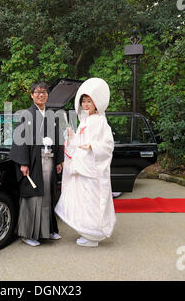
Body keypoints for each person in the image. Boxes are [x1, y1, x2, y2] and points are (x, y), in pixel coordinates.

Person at [55, 78, 116, 247]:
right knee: (84, 200)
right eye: (83, 101)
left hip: (92, 168)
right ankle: (87, 232)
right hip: (83, 166)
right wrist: (71, 136)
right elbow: (78, 142)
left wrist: (93, 146)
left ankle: (93, 235)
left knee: (91, 200)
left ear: (96, 103)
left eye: (89, 101)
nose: (86, 104)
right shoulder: (85, 120)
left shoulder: (100, 120)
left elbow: (108, 144)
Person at [9, 82, 64, 247]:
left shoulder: (52, 116)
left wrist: (59, 160)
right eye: (38, 92)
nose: (41, 95)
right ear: (32, 95)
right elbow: (19, 140)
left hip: (49, 159)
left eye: (44, 92)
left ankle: (47, 231)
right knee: (33, 196)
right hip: (33, 162)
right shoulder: (26, 115)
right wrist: (23, 163)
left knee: (47, 195)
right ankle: (28, 234)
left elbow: (59, 139)